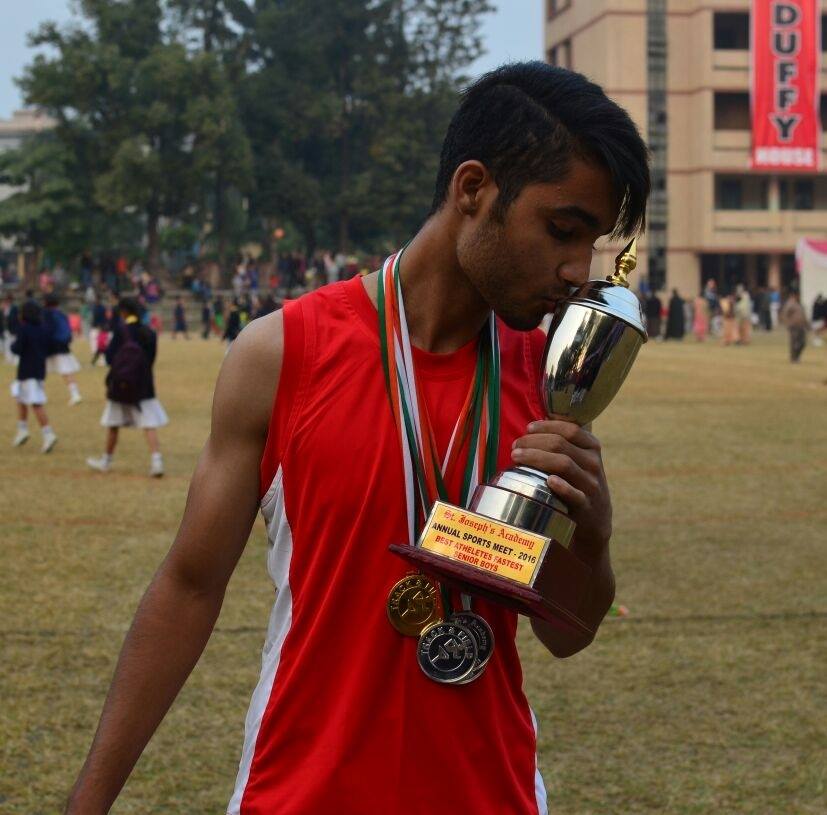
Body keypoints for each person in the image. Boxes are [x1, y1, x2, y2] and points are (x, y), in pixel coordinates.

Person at [65, 62, 649, 815]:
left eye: (592, 243)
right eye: (562, 230)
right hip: (302, 789)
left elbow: (567, 634)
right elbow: (190, 585)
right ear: (473, 189)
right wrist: (89, 801)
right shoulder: (281, 354)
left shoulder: (549, 381)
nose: (576, 270)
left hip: (489, 792)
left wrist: (592, 537)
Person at [86, 297, 167, 477]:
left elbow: (109, 358)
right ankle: (157, 461)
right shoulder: (149, 332)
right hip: (144, 384)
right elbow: (151, 359)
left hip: (121, 384)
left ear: (123, 312)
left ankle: (106, 461)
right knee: (149, 425)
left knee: (113, 424)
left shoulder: (121, 331)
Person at [10, 299, 58, 452]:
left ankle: (48, 433)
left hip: (26, 370)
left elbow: (17, 348)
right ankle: (22, 429)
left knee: (36, 403)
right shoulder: (44, 329)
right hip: (39, 369)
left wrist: (12, 345)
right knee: (21, 399)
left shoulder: (24, 329)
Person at [43, 293, 83, 405]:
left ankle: (39, 394)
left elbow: (45, 331)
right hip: (62, 347)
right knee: (67, 372)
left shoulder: (46, 314)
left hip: (49, 348)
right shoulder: (61, 314)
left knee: (41, 372)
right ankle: (75, 394)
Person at [779, 291, 809, 363]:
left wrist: (807, 325)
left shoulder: (799, 304)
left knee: (802, 342)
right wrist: (787, 323)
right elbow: (784, 314)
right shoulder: (790, 304)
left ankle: (797, 356)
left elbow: (803, 315)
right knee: (794, 342)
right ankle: (794, 358)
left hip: (801, 325)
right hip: (793, 326)